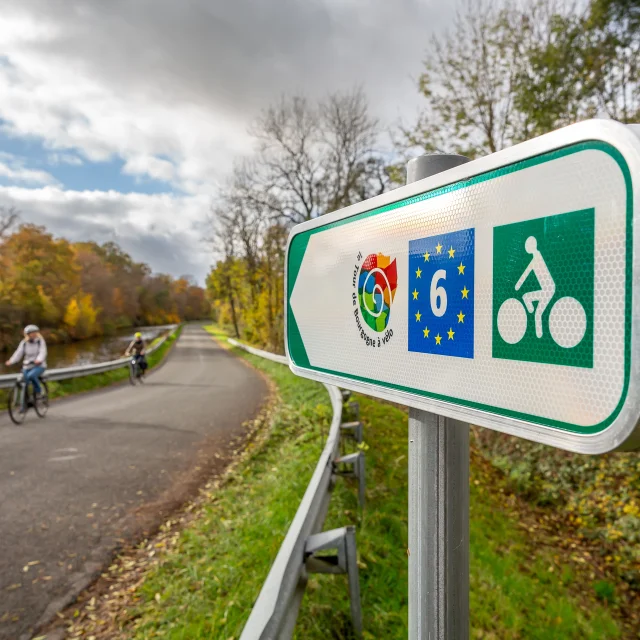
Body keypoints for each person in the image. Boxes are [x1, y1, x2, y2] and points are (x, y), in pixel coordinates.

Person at [515, 236, 556, 339]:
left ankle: (539, 336)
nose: (526, 248)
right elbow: (526, 272)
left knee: (537, 311)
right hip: (546, 289)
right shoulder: (535, 258)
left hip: (548, 289)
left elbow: (527, 271)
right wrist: (518, 285)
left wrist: (518, 285)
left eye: (527, 246)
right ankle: (531, 312)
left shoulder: (537, 258)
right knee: (528, 300)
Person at [5, 324, 47, 410]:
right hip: (27, 366)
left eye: (35, 332)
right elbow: (18, 353)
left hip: (39, 365)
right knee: (24, 382)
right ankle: (25, 403)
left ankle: (38, 392)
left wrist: (39, 360)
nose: (33, 334)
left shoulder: (40, 341)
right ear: (27, 334)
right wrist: (11, 361)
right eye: (31, 333)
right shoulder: (24, 343)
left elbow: (43, 352)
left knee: (31, 376)